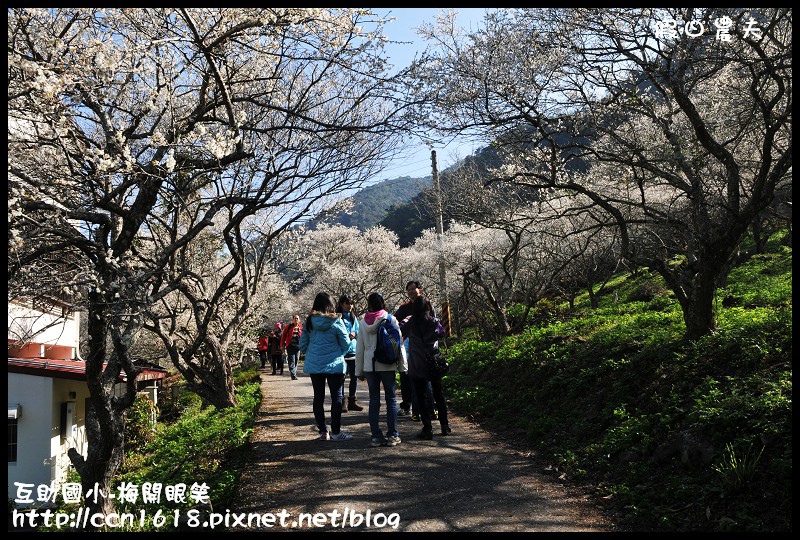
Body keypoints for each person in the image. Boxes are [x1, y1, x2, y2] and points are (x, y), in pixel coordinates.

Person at [298, 292, 353, 441]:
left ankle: (323, 432)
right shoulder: (336, 321)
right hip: (335, 365)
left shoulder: (309, 322)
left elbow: (302, 345)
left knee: (318, 397)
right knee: (336, 397)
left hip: (315, 366)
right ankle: (336, 433)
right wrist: (338, 354)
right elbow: (346, 343)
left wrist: (312, 353)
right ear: (331, 305)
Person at [355, 292, 408, 447]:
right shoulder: (390, 318)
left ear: (369, 304)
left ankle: (376, 437)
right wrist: (402, 366)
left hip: (370, 366)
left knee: (374, 400)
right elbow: (399, 343)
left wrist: (359, 371)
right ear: (383, 303)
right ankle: (393, 435)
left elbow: (360, 348)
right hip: (386, 363)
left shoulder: (363, 322)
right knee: (391, 398)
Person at [401, 295, 450, 440]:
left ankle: (427, 429)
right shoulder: (435, 322)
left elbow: (401, 331)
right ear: (428, 307)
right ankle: (445, 426)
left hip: (417, 364)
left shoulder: (411, 323)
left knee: (421, 397)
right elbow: (442, 334)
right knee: (439, 395)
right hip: (433, 362)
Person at [394, 280, 436, 420]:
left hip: (424, 345)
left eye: (413, 289)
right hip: (408, 344)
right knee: (407, 375)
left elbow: (434, 323)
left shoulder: (427, 304)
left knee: (423, 376)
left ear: (420, 290)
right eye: (409, 290)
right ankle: (408, 406)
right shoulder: (404, 307)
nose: (411, 292)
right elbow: (395, 321)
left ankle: (426, 408)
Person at [337, 294, 363, 413]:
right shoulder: (338, 317)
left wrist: (354, 334)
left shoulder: (354, 317)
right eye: (347, 303)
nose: (350, 306)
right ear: (341, 304)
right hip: (342, 352)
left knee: (354, 377)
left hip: (353, 351)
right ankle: (342, 401)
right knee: (341, 378)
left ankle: (352, 400)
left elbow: (358, 330)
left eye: (351, 303)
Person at [280, 314, 303, 380]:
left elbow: (303, 337)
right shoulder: (289, 327)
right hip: (290, 346)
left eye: (297, 318)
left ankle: (293, 373)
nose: (296, 320)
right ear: (292, 320)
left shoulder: (301, 327)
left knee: (296, 360)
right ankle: (293, 374)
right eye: (295, 318)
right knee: (291, 360)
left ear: (299, 319)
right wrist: (282, 345)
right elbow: (283, 336)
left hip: (298, 346)